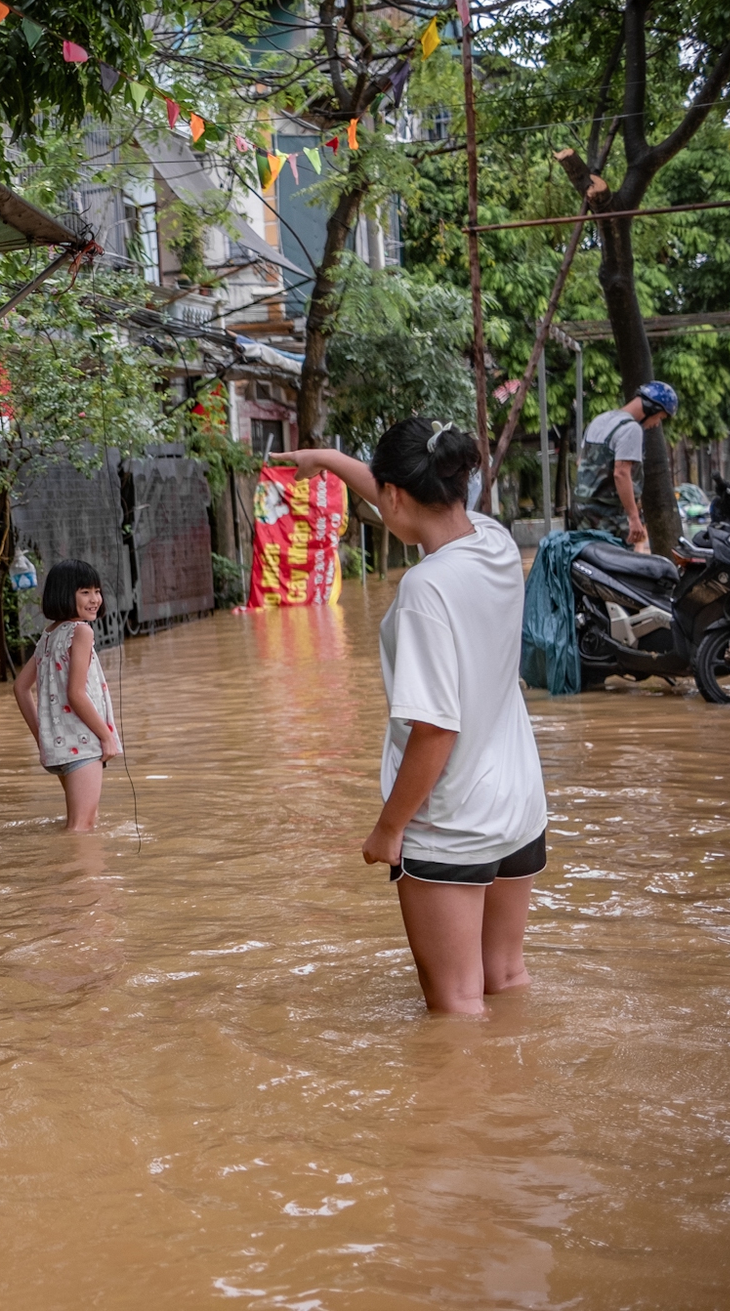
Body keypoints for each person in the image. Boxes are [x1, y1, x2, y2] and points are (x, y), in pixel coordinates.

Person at [276, 422, 548, 1016]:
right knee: (505, 977)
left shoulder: (425, 589)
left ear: (396, 493)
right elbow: (401, 502)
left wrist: (389, 828)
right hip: (519, 805)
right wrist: (326, 460)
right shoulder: (496, 542)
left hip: (452, 820)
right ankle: (521, 1103)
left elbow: (435, 730)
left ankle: (462, 1113)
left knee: (455, 1008)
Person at [12, 558, 121, 832]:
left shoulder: (49, 635)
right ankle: (79, 875)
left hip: (60, 749)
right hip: (82, 745)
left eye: (97, 591)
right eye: (85, 592)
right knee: (81, 827)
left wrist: (43, 737)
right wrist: (107, 737)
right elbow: (76, 693)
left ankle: (72, 871)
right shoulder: (81, 632)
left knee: (77, 823)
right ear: (64, 594)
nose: (95, 598)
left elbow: (20, 688)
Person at [569, 380, 679, 552]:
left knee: (590, 560)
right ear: (652, 408)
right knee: (621, 567)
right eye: (660, 417)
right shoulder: (631, 429)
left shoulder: (600, 420)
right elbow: (621, 473)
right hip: (608, 515)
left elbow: (579, 462)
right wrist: (634, 517)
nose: (657, 423)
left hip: (581, 510)